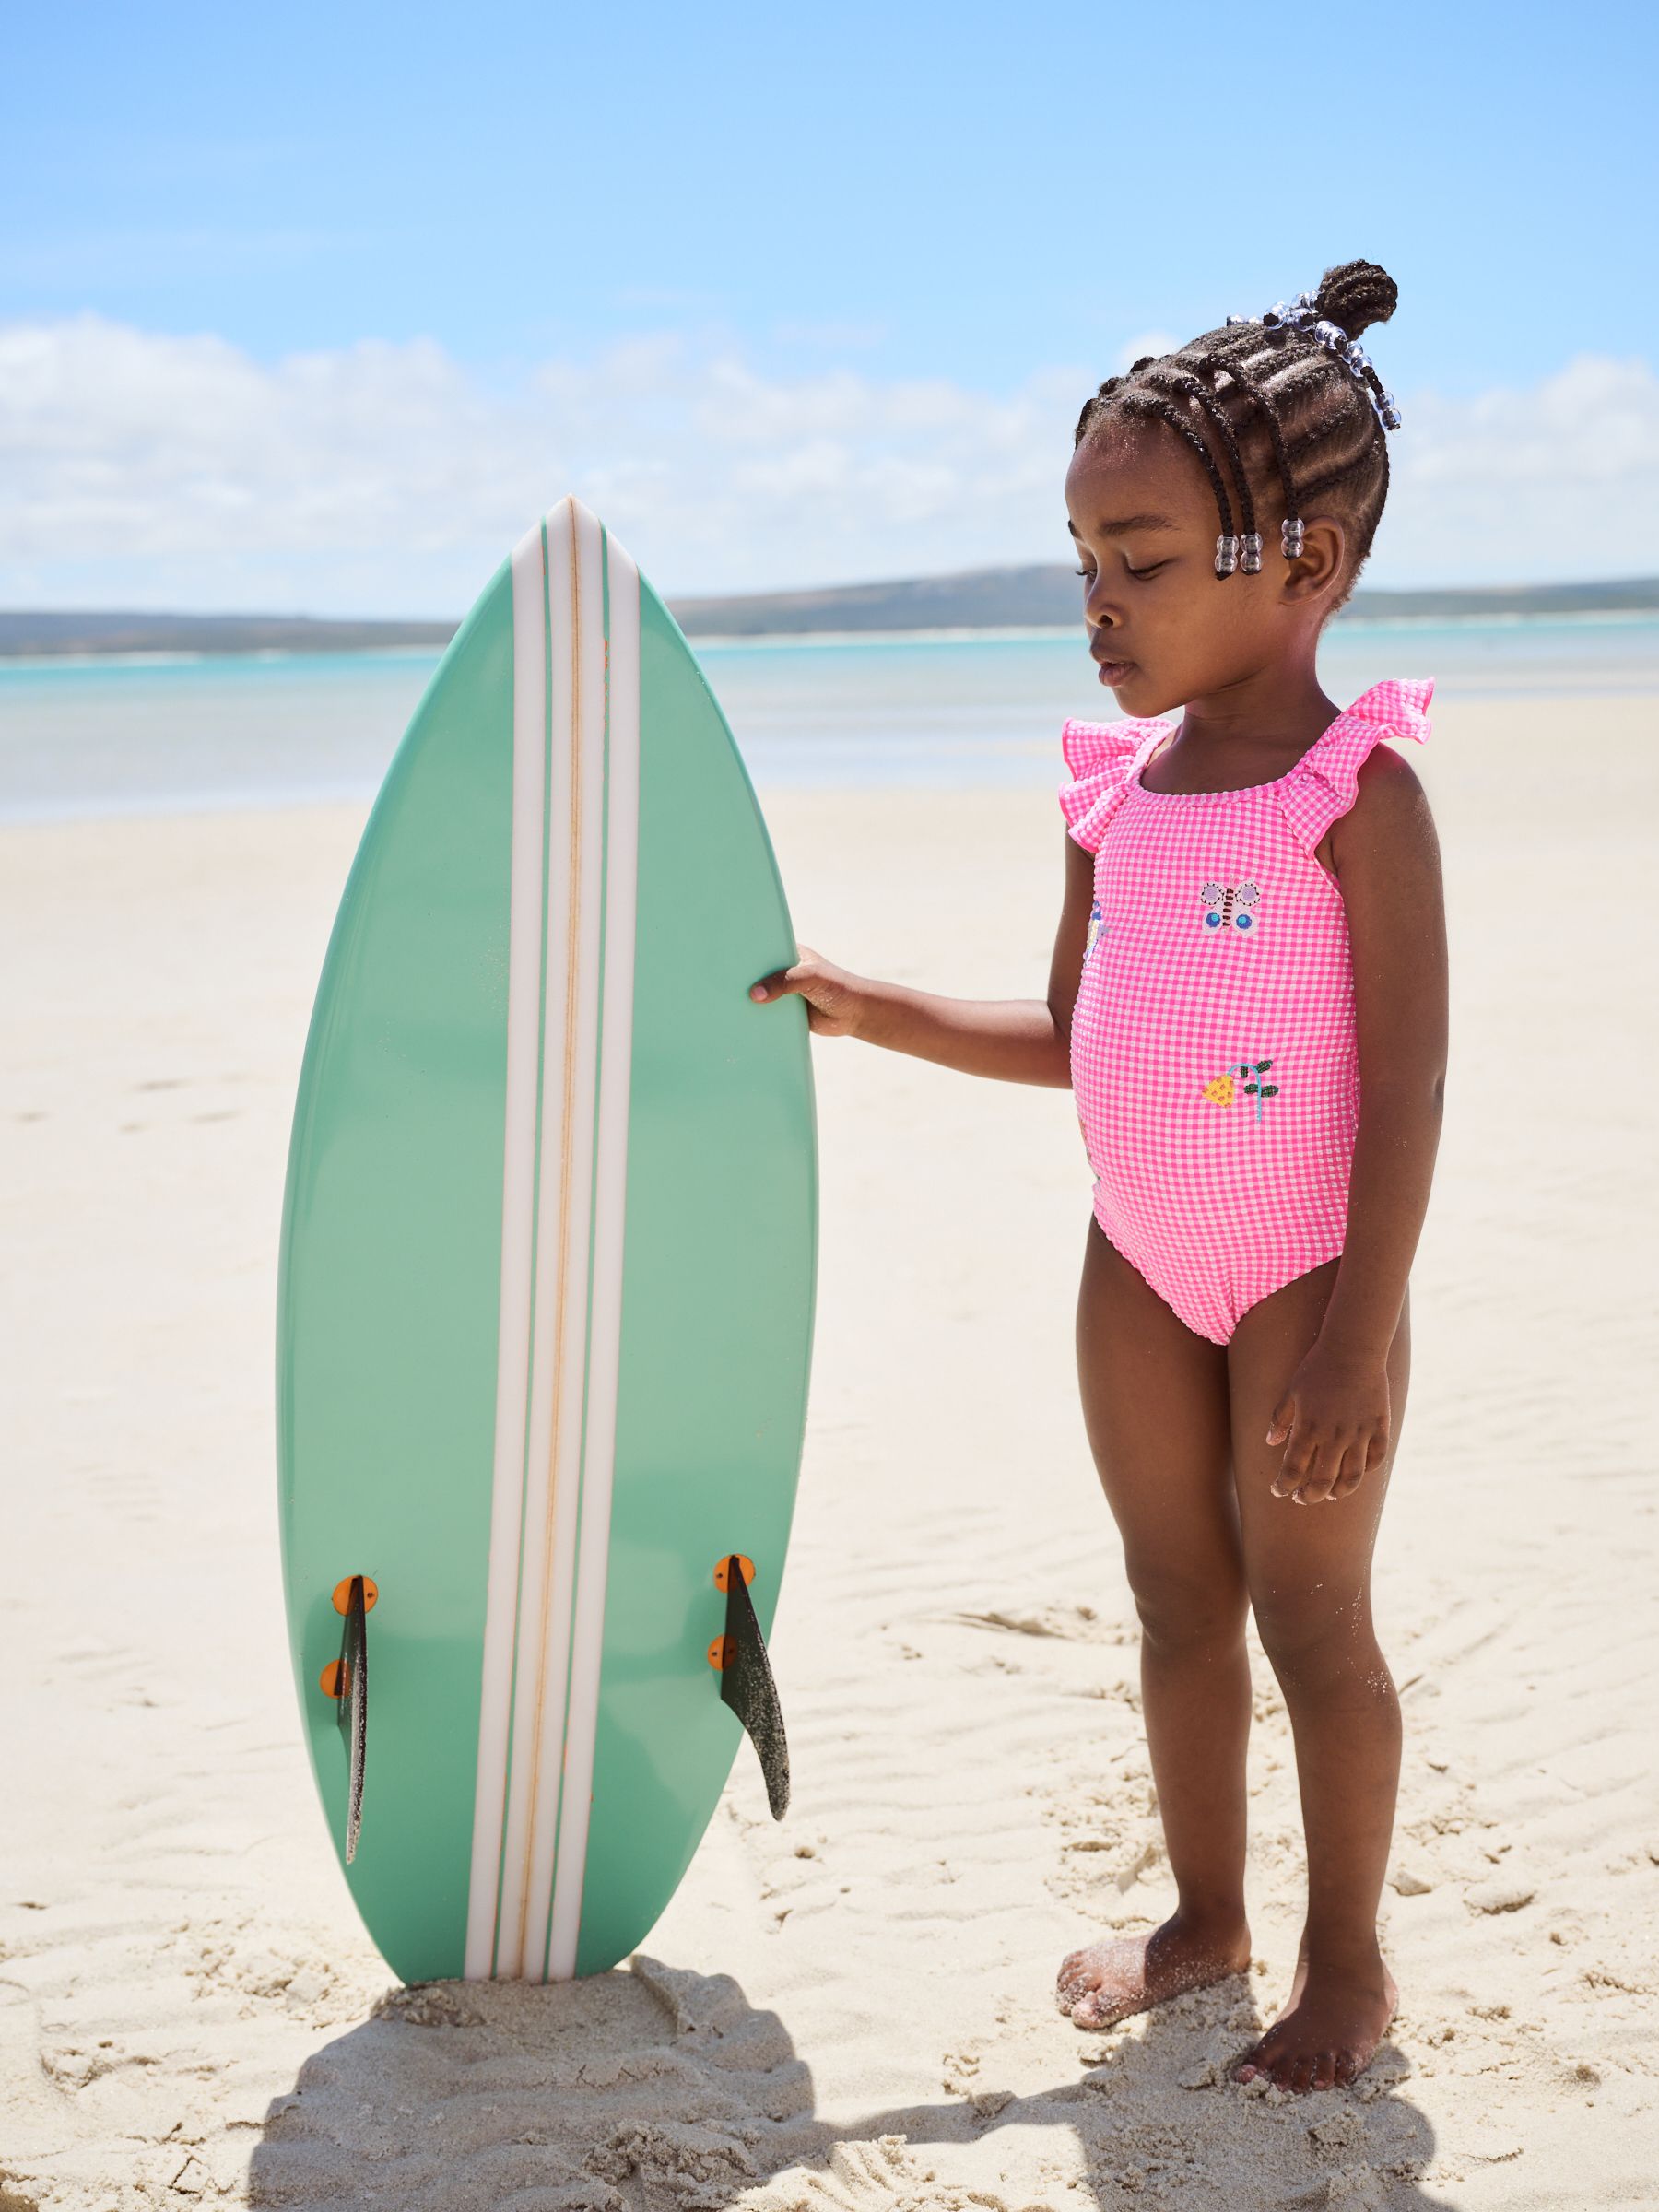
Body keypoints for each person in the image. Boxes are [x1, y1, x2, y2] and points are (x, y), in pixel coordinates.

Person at [748, 260, 1449, 2097]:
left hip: (1306, 1263)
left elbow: (1414, 1079)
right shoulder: (1109, 794)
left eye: (1139, 561)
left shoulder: (1355, 792)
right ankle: (1206, 1918)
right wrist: (868, 1006)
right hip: (1135, 1251)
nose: (1099, 605)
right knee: (1170, 1602)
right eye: (1084, 563)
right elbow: (1078, 1031)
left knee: (1314, 1620)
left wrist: (1360, 1335)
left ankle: (1345, 1963)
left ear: (1300, 567)